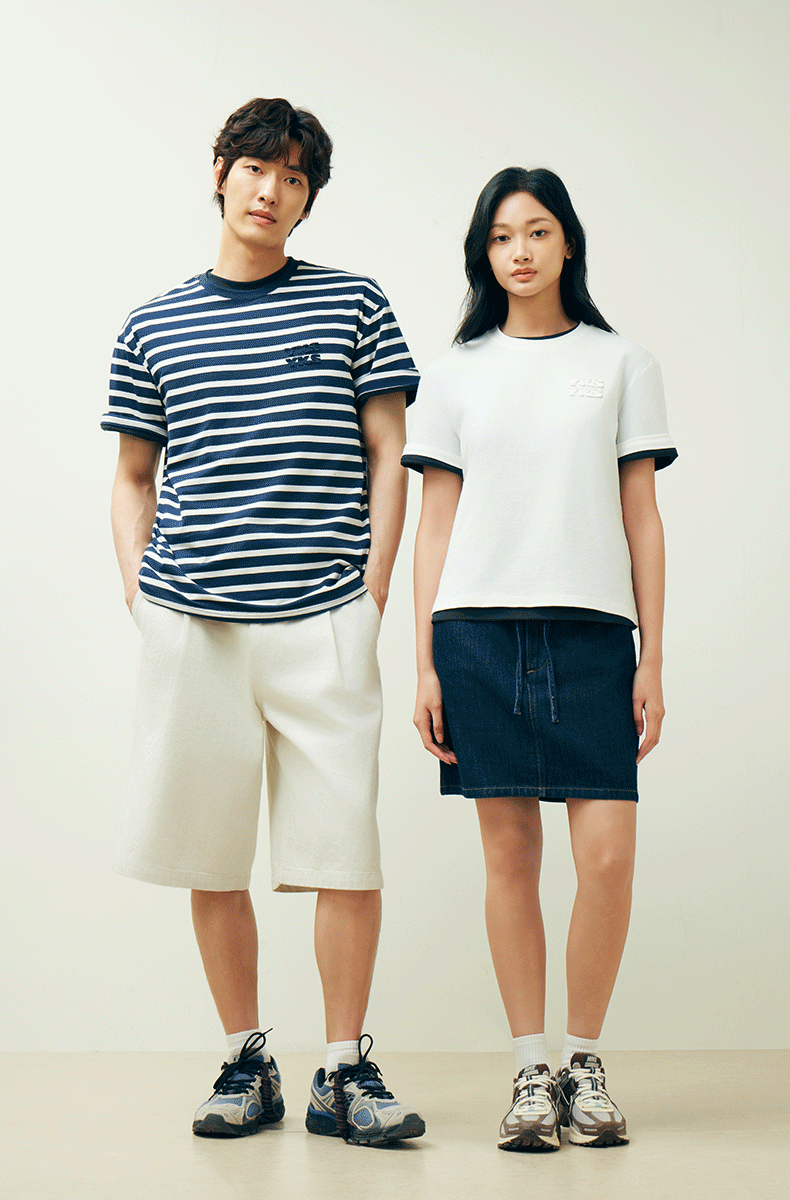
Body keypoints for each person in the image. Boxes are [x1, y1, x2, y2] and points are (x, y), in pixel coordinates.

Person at [102, 97, 425, 1147]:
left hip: (324, 613)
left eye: (294, 178)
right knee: (210, 854)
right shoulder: (152, 324)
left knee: (345, 852)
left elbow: (389, 451)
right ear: (220, 171)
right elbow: (133, 475)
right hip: (193, 624)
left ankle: (344, 1070)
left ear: (307, 199)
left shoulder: (353, 304)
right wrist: (141, 595)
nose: (272, 191)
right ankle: (247, 1058)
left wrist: (373, 589)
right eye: (256, 168)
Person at [403, 167, 676, 1151]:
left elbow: (642, 517)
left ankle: (583, 1064)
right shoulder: (454, 370)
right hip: (476, 633)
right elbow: (435, 525)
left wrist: (652, 657)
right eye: (500, 236)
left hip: (594, 636)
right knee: (509, 858)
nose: (518, 251)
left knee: (605, 859)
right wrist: (426, 663)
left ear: (568, 244)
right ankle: (530, 1069)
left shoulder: (621, 361)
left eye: (537, 231)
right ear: (484, 253)